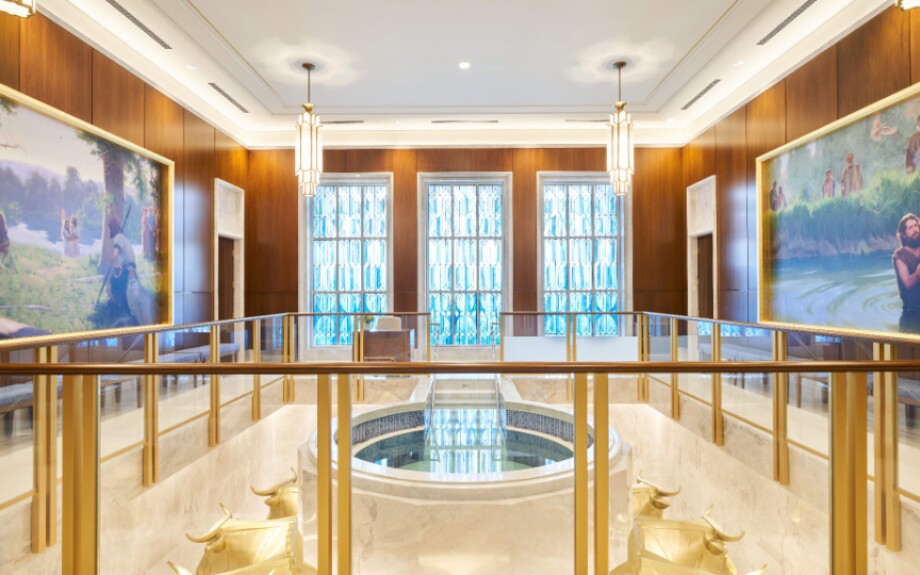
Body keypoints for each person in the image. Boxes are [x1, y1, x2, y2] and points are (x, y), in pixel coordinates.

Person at [893, 213, 920, 333]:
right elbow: (908, 283)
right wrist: (918, 272)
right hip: (912, 312)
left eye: (916, 226)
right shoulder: (900, 255)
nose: (915, 230)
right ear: (903, 234)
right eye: (910, 228)